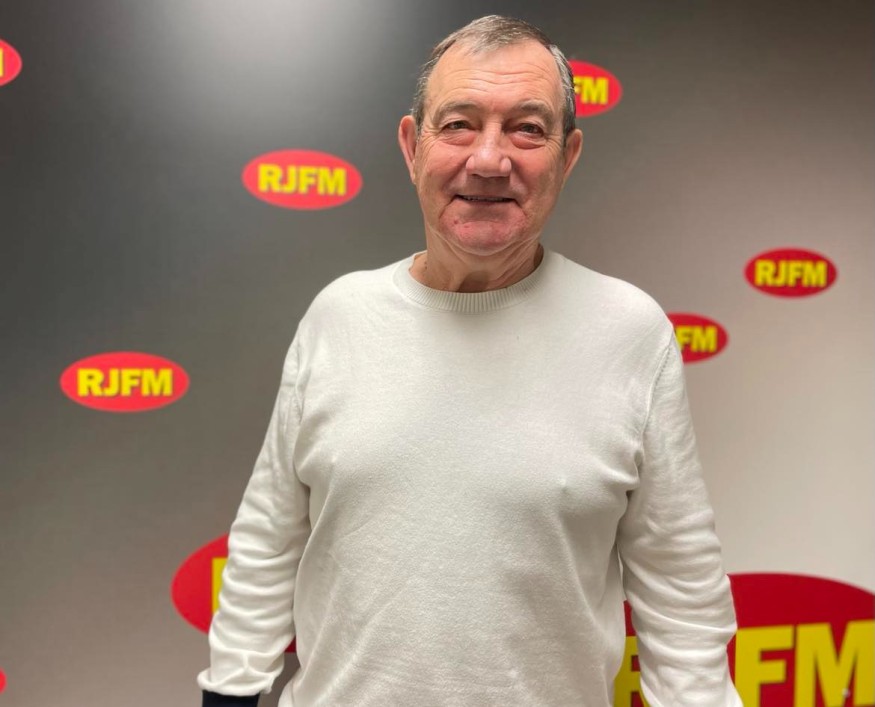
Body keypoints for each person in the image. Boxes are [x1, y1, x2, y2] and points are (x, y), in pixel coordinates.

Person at [199, 15, 742, 707]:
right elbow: (268, 540)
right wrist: (229, 693)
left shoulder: (629, 332)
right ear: (411, 146)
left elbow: (681, 589)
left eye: (527, 129)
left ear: (568, 156)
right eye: (458, 125)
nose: (489, 160)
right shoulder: (338, 316)